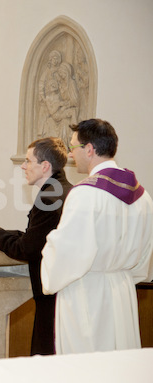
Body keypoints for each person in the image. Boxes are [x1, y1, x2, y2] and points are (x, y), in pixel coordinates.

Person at [41, 119, 153, 354]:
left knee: (86, 368)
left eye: (73, 148)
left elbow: (67, 253)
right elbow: (145, 253)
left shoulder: (85, 193)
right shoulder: (143, 196)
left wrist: (50, 244)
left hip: (86, 295)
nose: (71, 156)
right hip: (122, 290)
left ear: (89, 149)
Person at [0, 137, 72, 356]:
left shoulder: (49, 197)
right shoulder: (64, 189)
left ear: (45, 165)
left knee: (46, 359)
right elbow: (40, 237)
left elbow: (27, 249)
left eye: (28, 161)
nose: (23, 166)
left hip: (52, 295)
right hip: (63, 292)